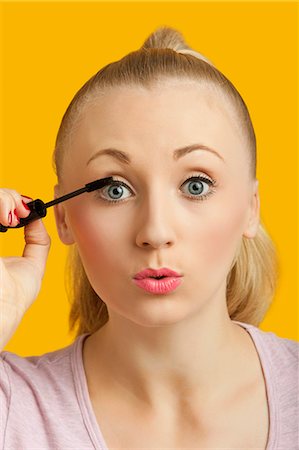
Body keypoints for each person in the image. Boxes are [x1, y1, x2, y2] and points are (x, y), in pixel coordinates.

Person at [0, 26, 298, 450]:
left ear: (251, 208)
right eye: (114, 189)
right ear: (62, 217)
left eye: (196, 184)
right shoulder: (12, 410)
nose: (155, 232)